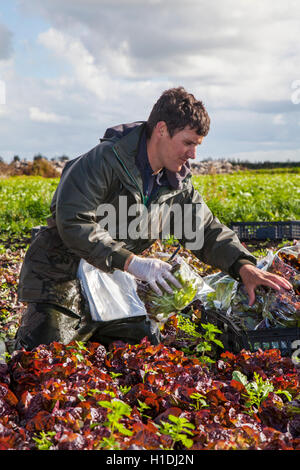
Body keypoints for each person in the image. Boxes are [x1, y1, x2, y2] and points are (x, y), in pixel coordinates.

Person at [14, 87, 292, 351]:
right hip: (59, 273)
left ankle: (95, 328)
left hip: (111, 279)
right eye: (187, 143)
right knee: (45, 353)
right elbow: (74, 222)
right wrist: (132, 262)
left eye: (197, 146)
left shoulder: (176, 183)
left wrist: (243, 267)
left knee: (144, 352)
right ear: (161, 130)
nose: (193, 154)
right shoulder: (104, 162)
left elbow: (205, 230)